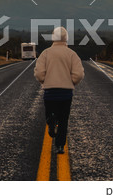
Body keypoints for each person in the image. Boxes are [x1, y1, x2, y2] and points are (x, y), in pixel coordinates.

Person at [34, 26, 84, 154]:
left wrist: (45, 81)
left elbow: (39, 73)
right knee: (63, 120)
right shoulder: (72, 54)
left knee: (50, 113)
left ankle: (51, 120)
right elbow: (78, 74)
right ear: (66, 38)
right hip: (66, 93)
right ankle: (60, 146)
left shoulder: (45, 53)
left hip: (50, 92)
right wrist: (71, 81)